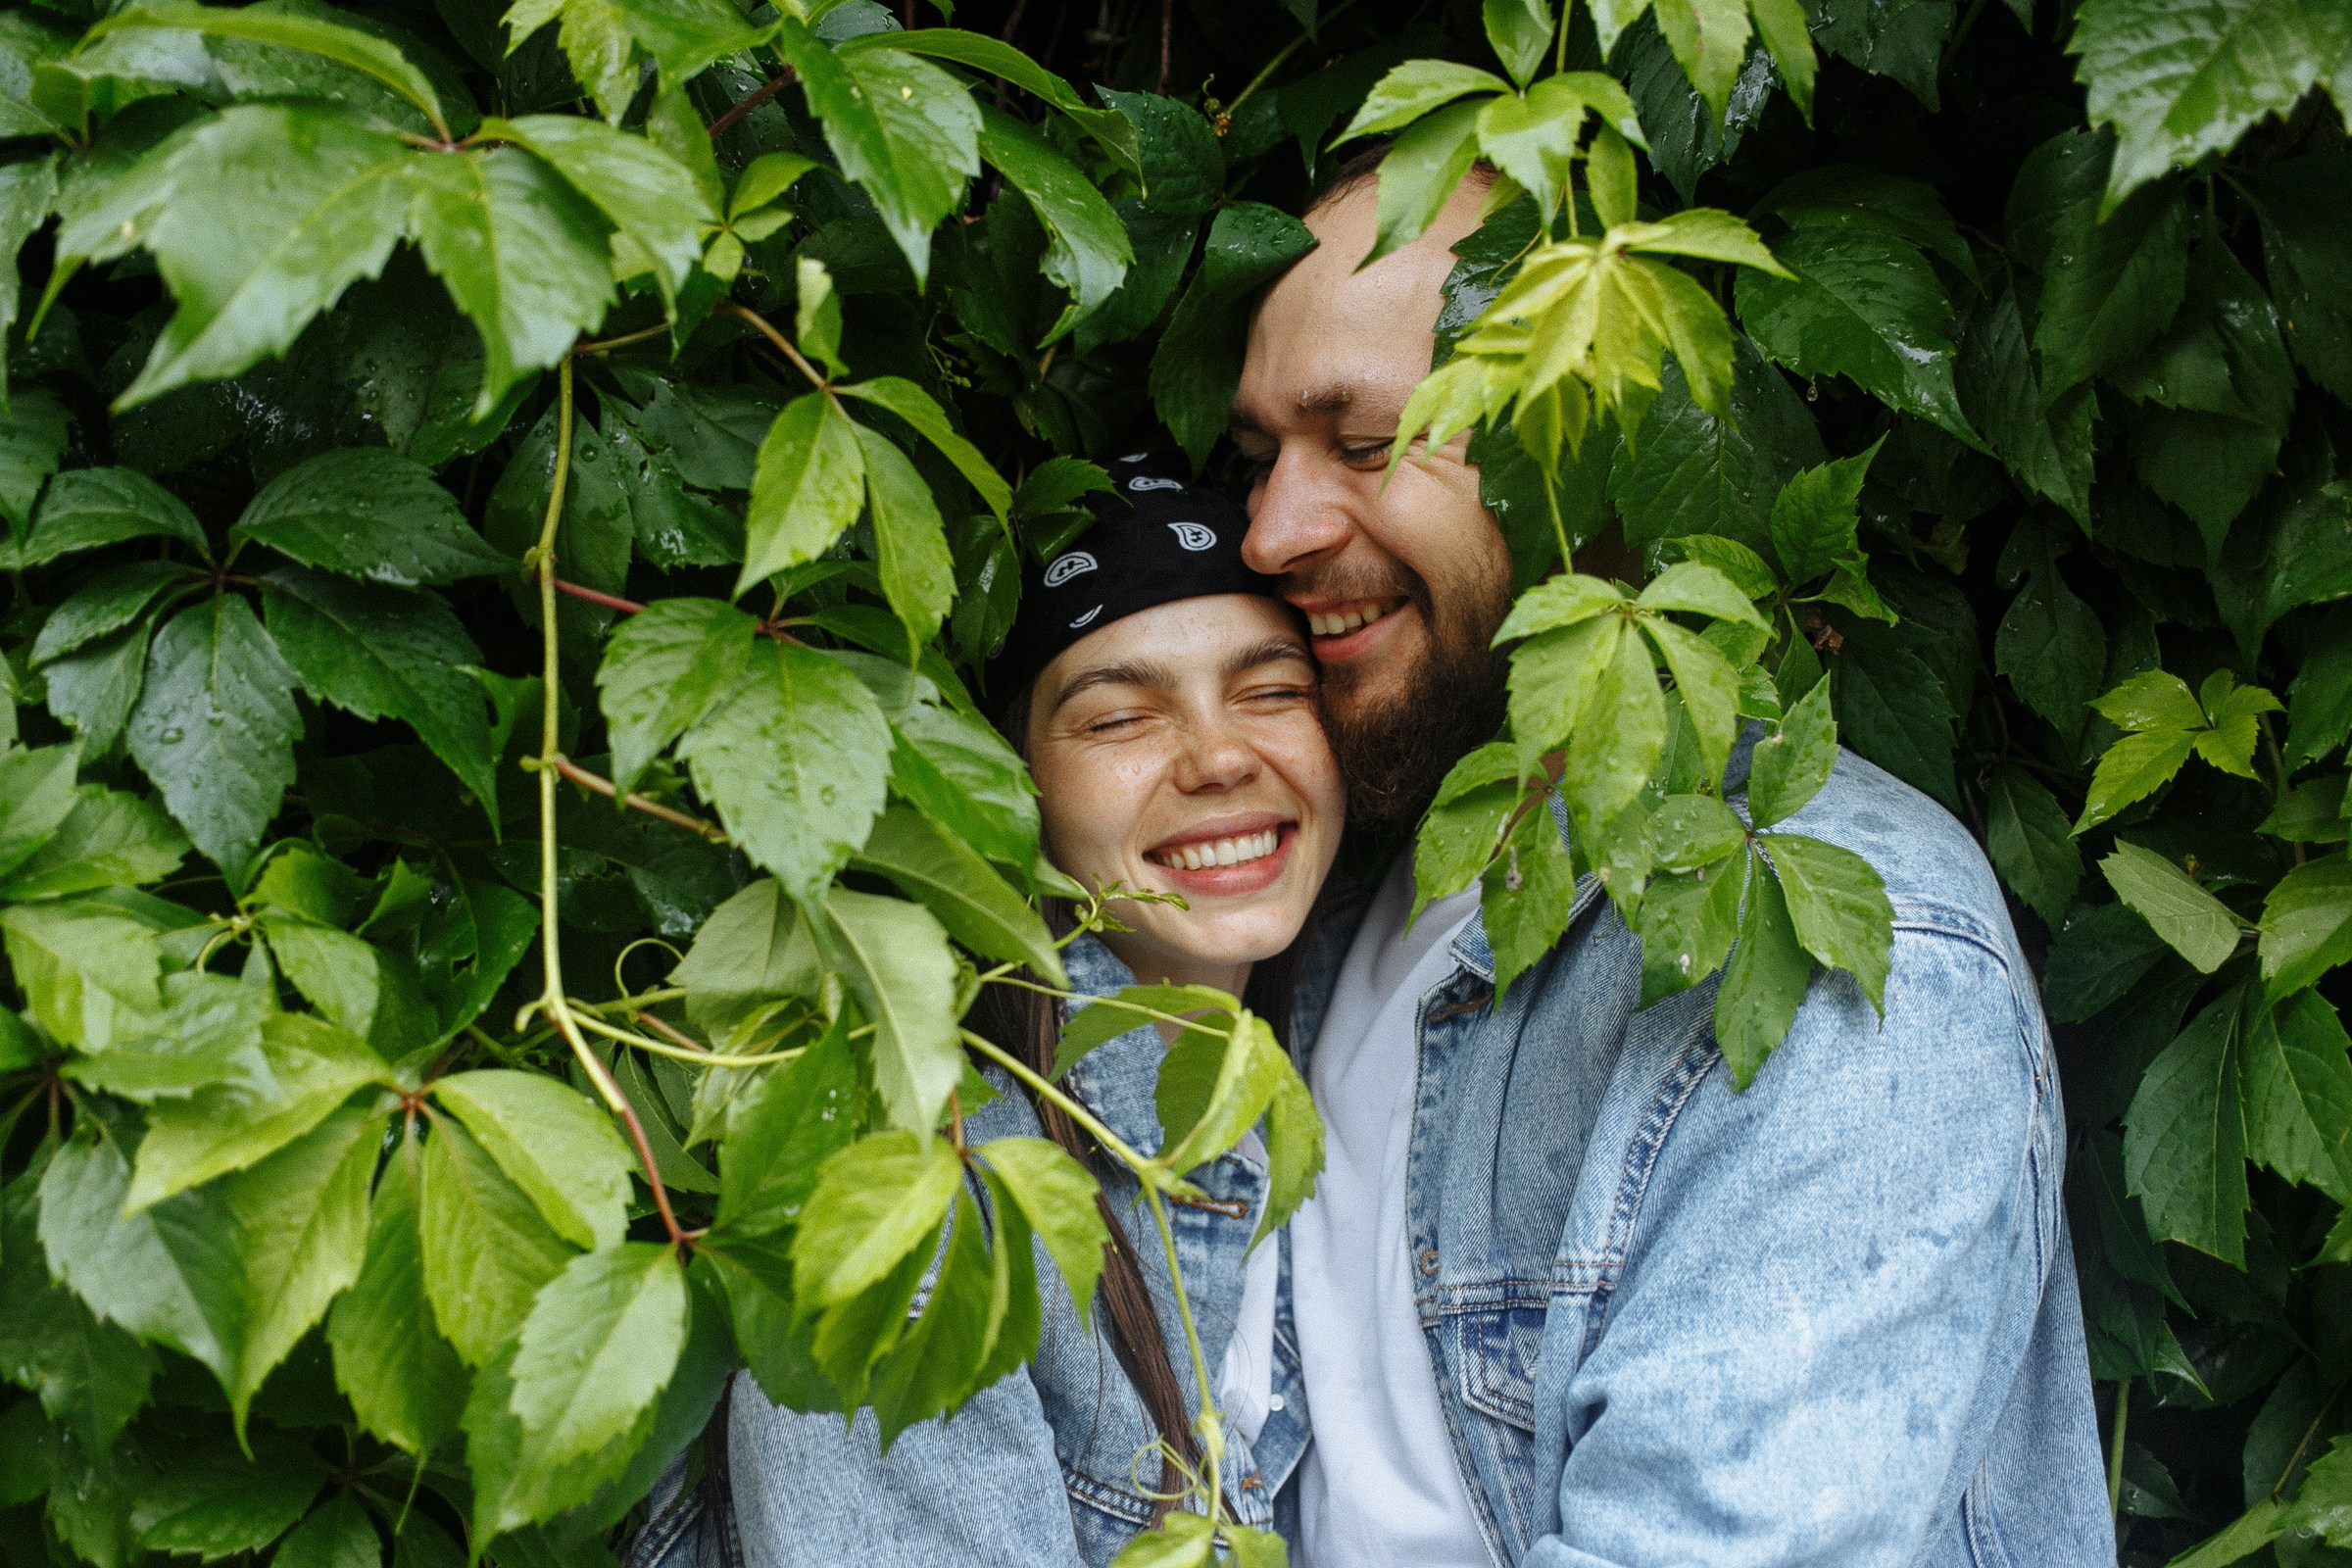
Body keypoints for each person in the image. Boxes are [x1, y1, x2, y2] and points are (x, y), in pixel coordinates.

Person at [1219, 160, 2117, 1565]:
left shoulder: (1835, 953)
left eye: (1363, 441)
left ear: (1588, 452)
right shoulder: (1315, 903)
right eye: (1261, 456)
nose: (1272, 529)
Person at [639, 457, 1347, 1568]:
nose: (1219, 757)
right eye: (1120, 718)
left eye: (1272, 692)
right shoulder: (921, 1208)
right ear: (1011, 787)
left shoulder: (1339, 1082)